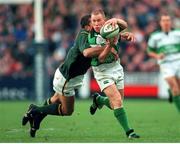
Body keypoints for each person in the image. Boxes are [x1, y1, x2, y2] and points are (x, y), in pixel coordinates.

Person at [83, 9, 140, 139]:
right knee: (117, 101)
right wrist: (110, 45)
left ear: (104, 20)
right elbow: (101, 58)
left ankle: (99, 100)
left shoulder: (110, 27)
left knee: (117, 103)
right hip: (103, 72)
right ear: (91, 23)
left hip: (117, 67)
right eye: (94, 21)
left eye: (99, 20)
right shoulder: (92, 38)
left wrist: (116, 20)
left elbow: (124, 25)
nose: (96, 24)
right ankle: (129, 132)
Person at [147, 13, 180, 112]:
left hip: (178, 61)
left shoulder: (178, 33)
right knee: (175, 87)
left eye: (168, 20)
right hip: (165, 63)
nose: (166, 22)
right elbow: (149, 51)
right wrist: (157, 56)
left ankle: (170, 91)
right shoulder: (155, 36)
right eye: (164, 20)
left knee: (177, 88)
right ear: (160, 23)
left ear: (171, 22)